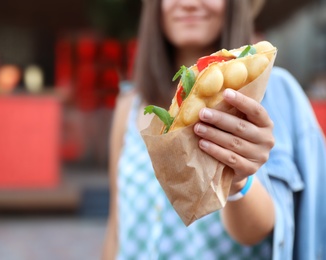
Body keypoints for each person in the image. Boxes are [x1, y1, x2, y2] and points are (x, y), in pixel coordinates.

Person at [102, 0, 326, 259]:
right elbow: (116, 229)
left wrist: (238, 180)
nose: (188, 3)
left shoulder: (268, 94)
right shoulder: (130, 106)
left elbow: (261, 230)